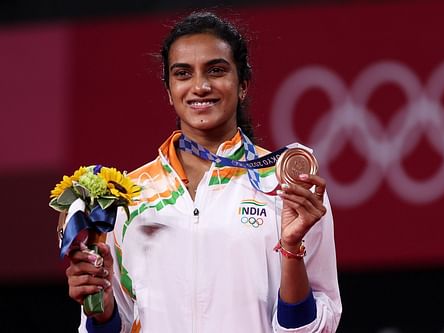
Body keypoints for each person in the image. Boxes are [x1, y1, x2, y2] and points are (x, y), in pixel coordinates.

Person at [66, 11, 342, 333]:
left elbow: (319, 323)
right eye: (183, 74)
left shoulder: (283, 185)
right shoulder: (129, 196)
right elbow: (117, 324)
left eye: (216, 70)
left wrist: (292, 251)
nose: (200, 86)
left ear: (243, 85)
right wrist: (100, 309)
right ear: (169, 91)